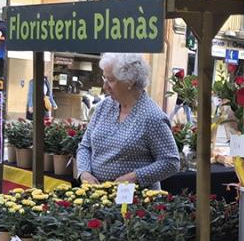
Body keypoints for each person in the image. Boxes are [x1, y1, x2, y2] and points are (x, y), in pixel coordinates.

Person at [76, 53, 180, 188]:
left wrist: (134, 177)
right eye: (104, 78)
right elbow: (85, 146)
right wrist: (84, 173)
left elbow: (171, 162)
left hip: (136, 196)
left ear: (130, 81)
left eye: (110, 80)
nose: (105, 86)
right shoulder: (103, 107)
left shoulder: (152, 116)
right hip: (98, 193)